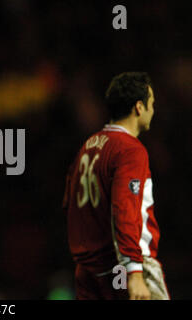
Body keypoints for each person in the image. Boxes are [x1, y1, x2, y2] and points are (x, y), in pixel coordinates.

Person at [62, 72, 169, 300]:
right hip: (123, 266)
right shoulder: (130, 149)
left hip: (88, 269)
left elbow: (68, 206)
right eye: (151, 103)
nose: (153, 110)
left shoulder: (88, 147)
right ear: (139, 107)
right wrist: (134, 271)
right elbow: (125, 208)